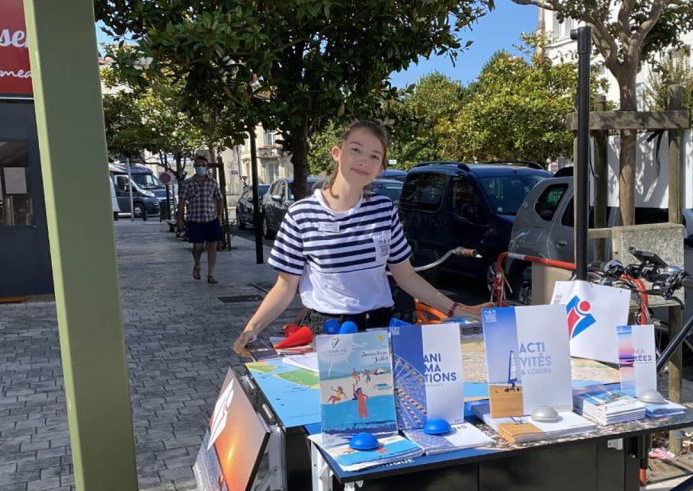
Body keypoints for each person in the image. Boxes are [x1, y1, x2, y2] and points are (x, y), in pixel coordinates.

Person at [233, 120, 482, 356]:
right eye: (356, 150)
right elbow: (285, 286)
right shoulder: (302, 214)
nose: (364, 160)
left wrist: (457, 309)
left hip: (380, 328)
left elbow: (405, 275)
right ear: (336, 153)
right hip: (328, 331)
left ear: (380, 168)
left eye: (374, 156)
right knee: (337, 400)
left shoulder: (384, 210)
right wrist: (251, 329)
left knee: (382, 399)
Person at [178, 155, 224, 284]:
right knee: (198, 247)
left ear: (207, 166)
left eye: (203, 165)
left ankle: (210, 274)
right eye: (198, 165)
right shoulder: (188, 183)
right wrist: (180, 219)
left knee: (212, 246)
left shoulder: (213, 182)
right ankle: (197, 265)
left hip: (211, 219)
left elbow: (219, 198)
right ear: (194, 167)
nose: (201, 167)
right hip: (195, 220)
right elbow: (181, 201)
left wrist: (219, 215)